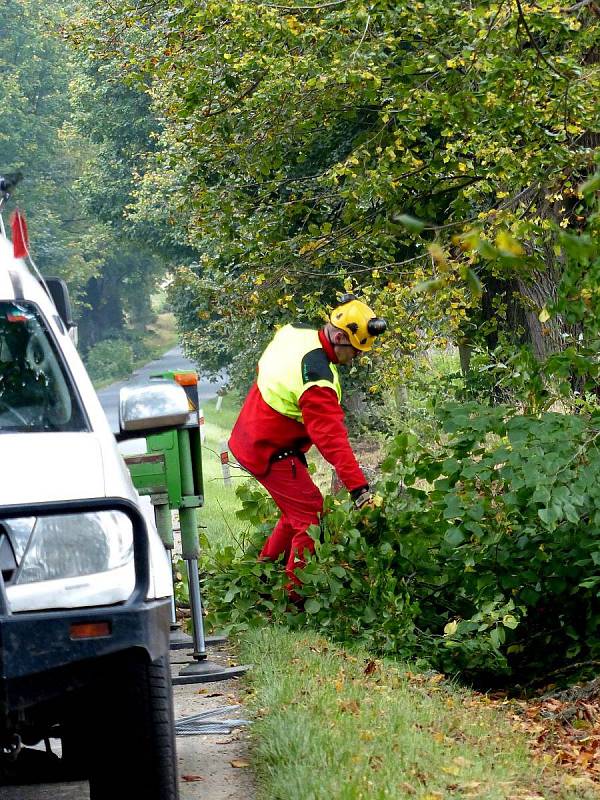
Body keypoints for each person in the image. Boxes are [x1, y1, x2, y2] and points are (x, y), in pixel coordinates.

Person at [228, 294, 387, 595]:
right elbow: (333, 441)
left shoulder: (294, 331)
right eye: (355, 350)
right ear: (340, 336)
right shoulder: (316, 379)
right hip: (270, 450)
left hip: (250, 434)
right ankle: (294, 600)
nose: (356, 357)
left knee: (295, 513)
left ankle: (262, 578)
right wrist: (360, 491)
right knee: (311, 518)